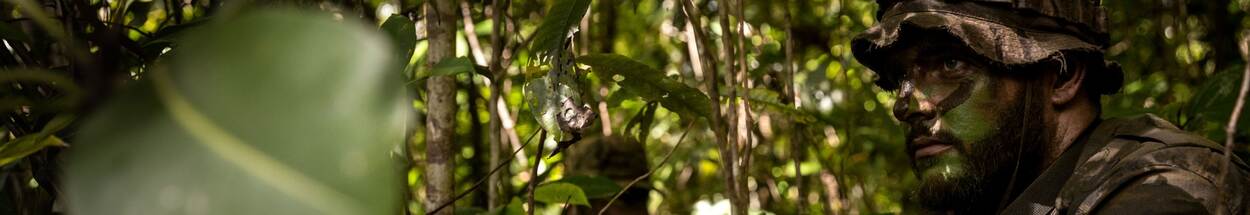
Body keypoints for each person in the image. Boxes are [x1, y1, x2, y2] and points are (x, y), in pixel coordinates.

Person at [850, 0, 1250, 214]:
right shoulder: (993, 190)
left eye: (951, 64)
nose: (905, 105)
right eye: (898, 79)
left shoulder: (1166, 185)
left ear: (1062, 77)